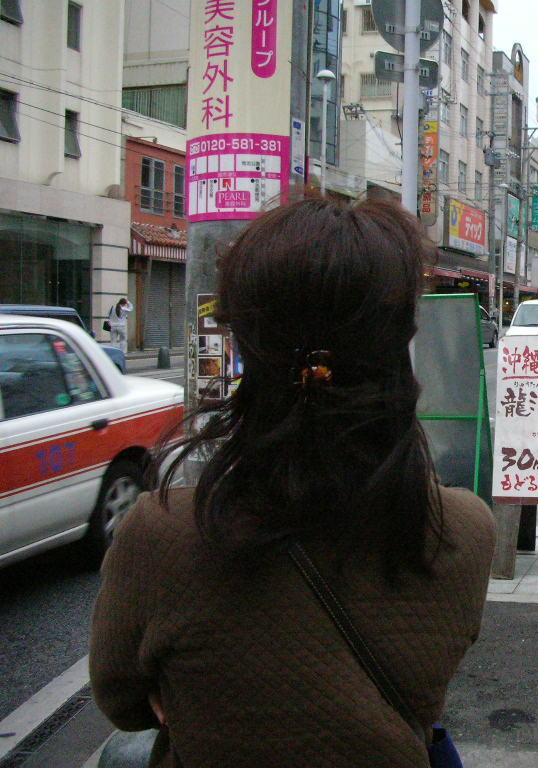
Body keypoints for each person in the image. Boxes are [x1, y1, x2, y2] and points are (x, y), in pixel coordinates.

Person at [90, 198, 497, 767]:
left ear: (243, 349)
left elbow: (123, 702)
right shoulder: (461, 530)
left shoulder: (160, 535)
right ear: (400, 348)